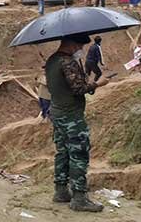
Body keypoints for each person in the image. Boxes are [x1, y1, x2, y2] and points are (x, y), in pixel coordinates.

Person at [46, 34, 109, 212]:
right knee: (78, 154)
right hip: (71, 116)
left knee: (62, 152)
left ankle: (61, 191)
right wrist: (98, 84)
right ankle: (79, 197)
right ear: (72, 44)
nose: (81, 49)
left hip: (57, 112)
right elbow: (78, 89)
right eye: (80, 46)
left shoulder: (52, 60)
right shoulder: (67, 62)